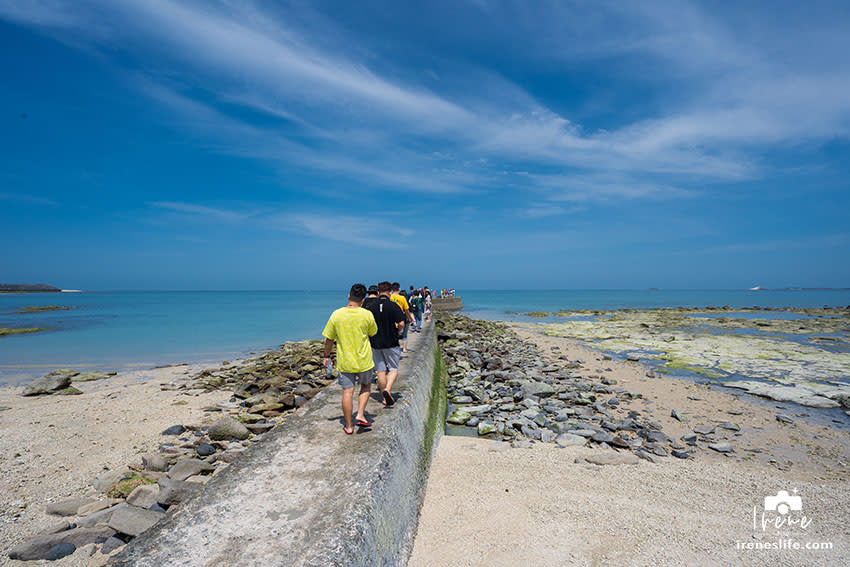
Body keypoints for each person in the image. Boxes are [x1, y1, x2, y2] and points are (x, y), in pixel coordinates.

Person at [322, 283, 378, 435]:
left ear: (349, 296)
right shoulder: (367, 314)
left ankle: (349, 426)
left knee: (348, 392)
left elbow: (329, 339)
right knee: (366, 386)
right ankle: (360, 414)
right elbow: (373, 333)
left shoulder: (337, 314)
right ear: (363, 299)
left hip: (345, 361)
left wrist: (326, 356)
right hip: (364, 360)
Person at [364, 281, 405, 406]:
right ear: (390, 292)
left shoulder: (371, 307)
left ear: (378, 292)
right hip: (391, 341)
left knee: (380, 370)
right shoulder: (393, 306)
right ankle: (387, 390)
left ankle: (384, 397)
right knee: (393, 369)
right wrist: (397, 331)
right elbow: (402, 324)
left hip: (375, 343)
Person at [390, 282, 412, 353]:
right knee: (405, 335)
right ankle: (404, 349)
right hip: (401, 318)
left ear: (392, 289)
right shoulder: (402, 298)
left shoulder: (389, 297)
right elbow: (406, 310)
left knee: (393, 335)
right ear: (399, 289)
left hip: (392, 318)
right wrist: (409, 318)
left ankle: (394, 349)